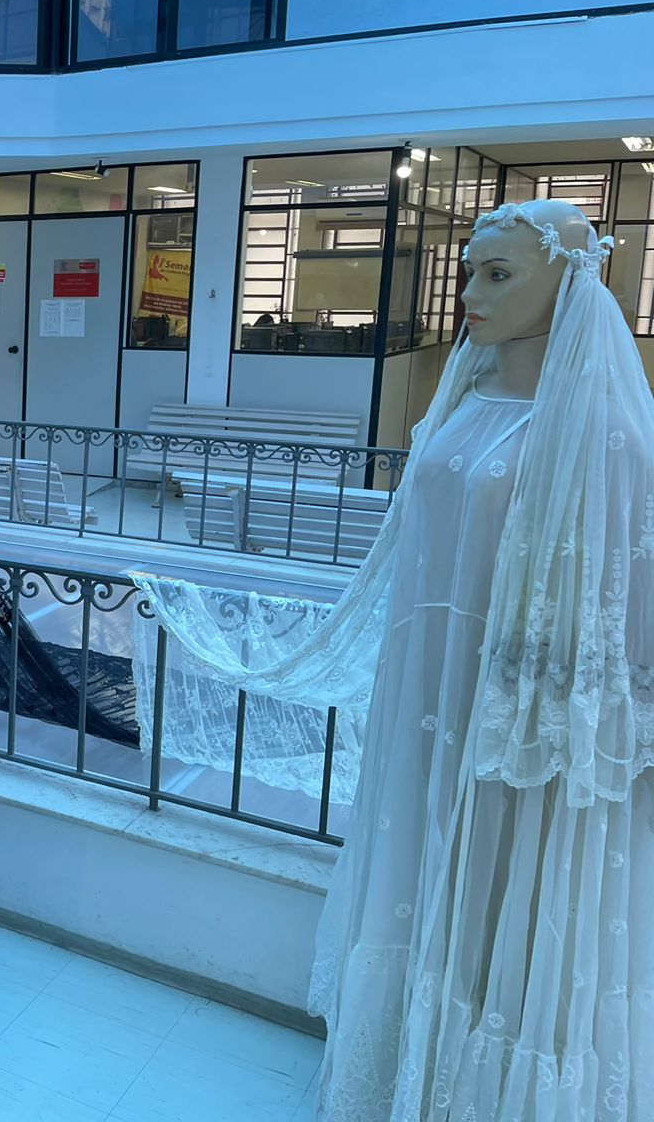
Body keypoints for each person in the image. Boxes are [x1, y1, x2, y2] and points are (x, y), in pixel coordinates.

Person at [138, 199, 654, 1120]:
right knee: (419, 867)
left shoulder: (604, 430)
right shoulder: (466, 397)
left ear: (569, 280)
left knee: (497, 892)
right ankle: (398, 1075)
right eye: (469, 272)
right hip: (426, 688)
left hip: (514, 714)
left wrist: (543, 719)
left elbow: (612, 609)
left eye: (499, 273)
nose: (470, 293)